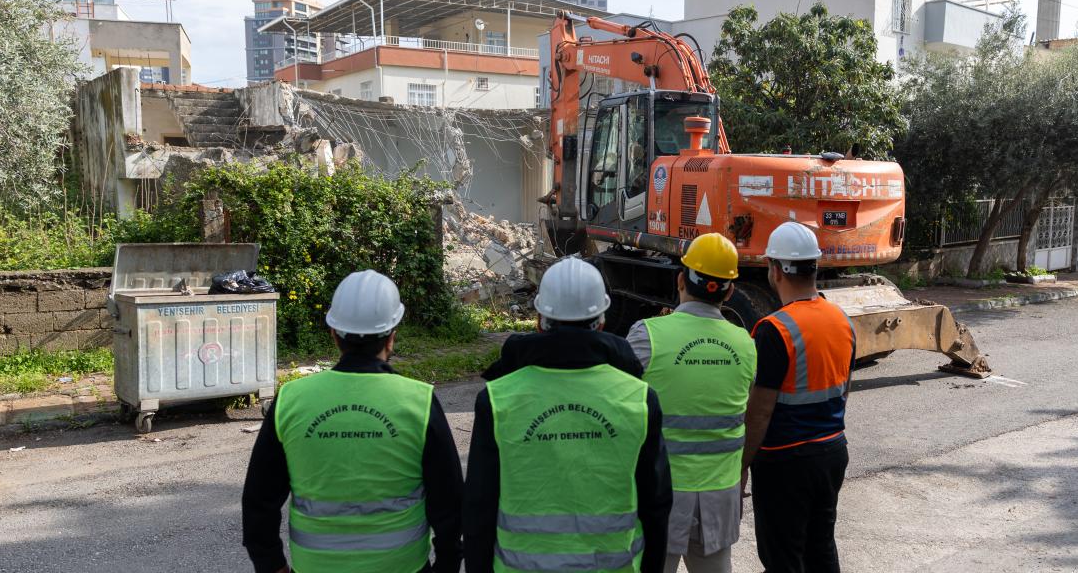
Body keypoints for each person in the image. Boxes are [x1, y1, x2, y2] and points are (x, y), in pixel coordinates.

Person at [241, 270, 463, 573]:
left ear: (333, 333)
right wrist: (447, 564)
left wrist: (271, 564)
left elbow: (259, 499)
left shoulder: (291, 400)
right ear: (392, 334)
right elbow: (449, 503)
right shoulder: (418, 402)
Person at [463, 257, 673, 573]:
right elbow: (656, 505)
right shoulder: (640, 400)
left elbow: (479, 506)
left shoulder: (496, 400)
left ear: (539, 320)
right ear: (601, 322)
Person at [626, 233, 757, 573]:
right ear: (729, 291)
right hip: (720, 496)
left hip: (660, 495)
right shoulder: (745, 344)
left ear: (681, 279)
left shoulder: (647, 335)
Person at [741, 222, 856, 573]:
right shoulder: (842, 320)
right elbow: (843, 389)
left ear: (775, 270)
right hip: (832, 451)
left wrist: (742, 463)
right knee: (821, 548)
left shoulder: (774, 329)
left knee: (783, 557)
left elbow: (760, 412)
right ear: (814, 267)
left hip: (785, 461)